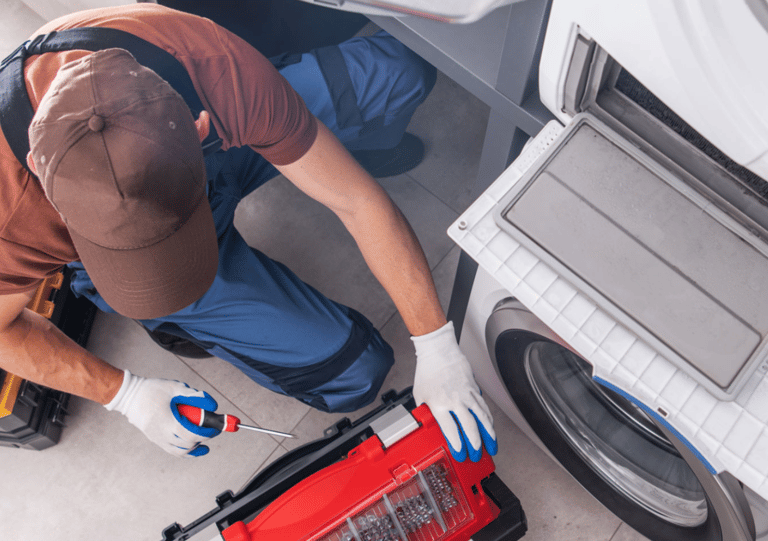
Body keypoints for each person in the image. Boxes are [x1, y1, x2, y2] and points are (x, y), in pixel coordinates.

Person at [0, 3, 496, 462]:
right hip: (146, 205)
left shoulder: (209, 67)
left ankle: (332, 151)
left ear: (198, 128)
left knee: (399, 72)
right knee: (355, 374)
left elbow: (356, 200)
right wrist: (125, 394)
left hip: (214, 146)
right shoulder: (10, 216)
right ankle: (174, 317)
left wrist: (436, 343)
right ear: (41, 176)